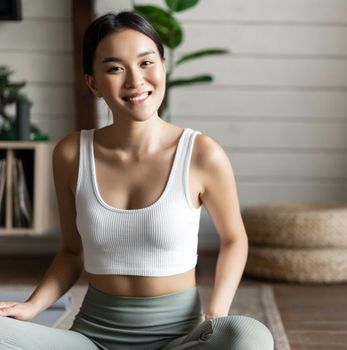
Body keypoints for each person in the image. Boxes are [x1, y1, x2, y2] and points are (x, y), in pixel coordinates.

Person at [0, 11, 274, 350]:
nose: (134, 80)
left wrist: (216, 314)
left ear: (163, 66)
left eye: (146, 63)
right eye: (115, 68)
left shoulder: (201, 154)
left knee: (249, 337)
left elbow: (234, 239)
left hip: (180, 341)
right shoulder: (72, 153)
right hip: (93, 340)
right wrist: (31, 306)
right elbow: (72, 252)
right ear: (93, 83)